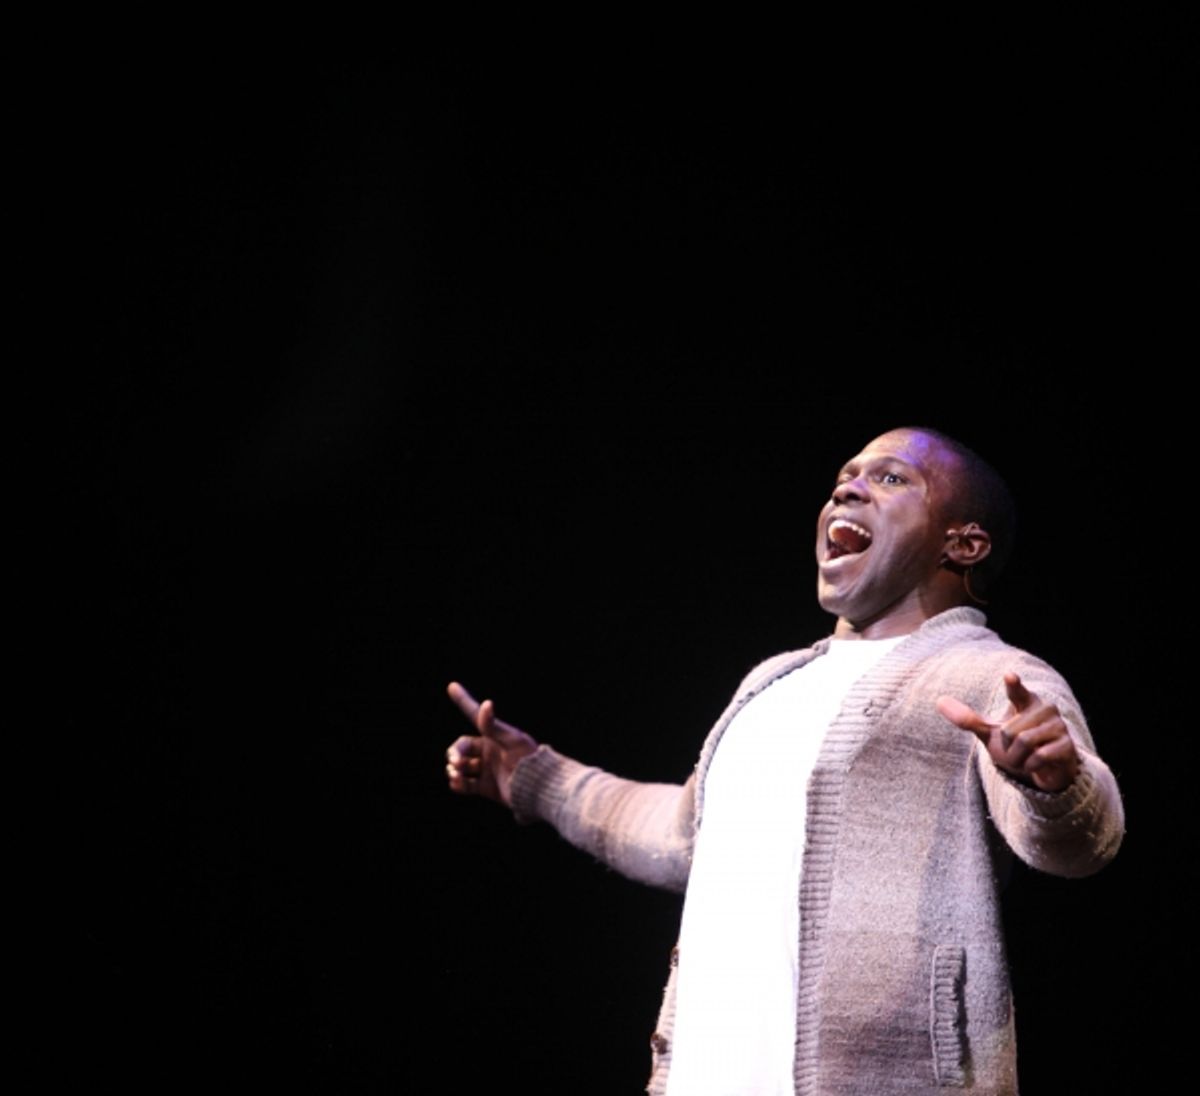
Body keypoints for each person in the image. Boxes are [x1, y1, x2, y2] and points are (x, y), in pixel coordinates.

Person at [444, 427, 1124, 1095]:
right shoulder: (772, 682)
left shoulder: (993, 677)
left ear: (964, 541)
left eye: (890, 478)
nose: (849, 489)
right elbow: (681, 838)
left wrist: (1054, 783)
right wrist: (533, 778)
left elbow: (1080, 842)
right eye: (843, 480)